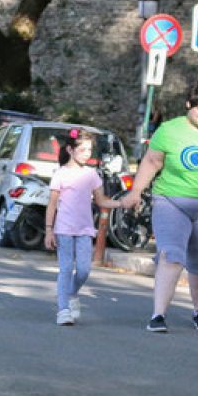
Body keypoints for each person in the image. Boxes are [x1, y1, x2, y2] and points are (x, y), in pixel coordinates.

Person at [118, 83, 198, 333]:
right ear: (189, 105)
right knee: (172, 255)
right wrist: (136, 191)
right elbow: (152, 161)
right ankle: (158, 315)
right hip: (171, 201)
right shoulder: (169, 129)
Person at [43, 130, 120, 325]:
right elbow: (52, 204)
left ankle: (72, 293)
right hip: (64, 229)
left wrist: (122, 203)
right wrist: (49, 230)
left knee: (84, 270)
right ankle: (63, 310)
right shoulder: (60, 174)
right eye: (83, 149)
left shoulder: (91, 174)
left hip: (85, 229)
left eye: (90, 150)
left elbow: (101, 200)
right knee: (66, 269)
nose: (87, 154)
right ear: (70, 150)